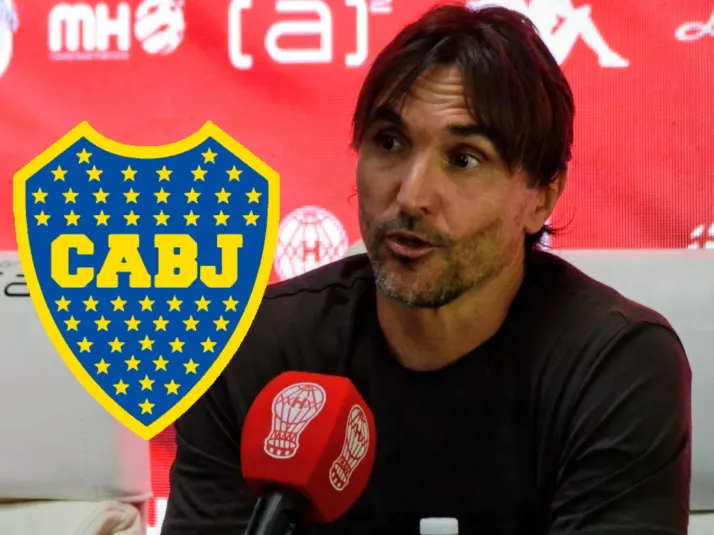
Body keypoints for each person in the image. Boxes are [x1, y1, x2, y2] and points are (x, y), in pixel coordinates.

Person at [161, 4, 691, 534]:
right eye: (389, 143)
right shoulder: (251, 355)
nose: (411, 196)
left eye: (464, 159)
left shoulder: (612, 368)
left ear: (541, 196)